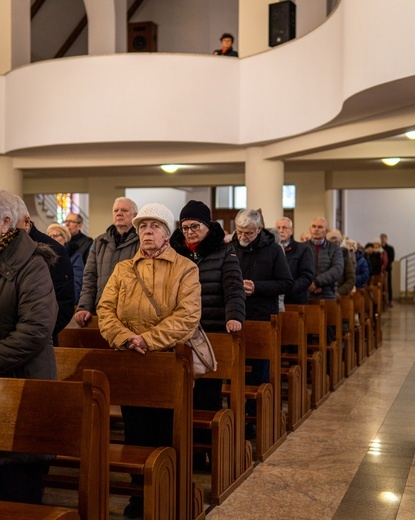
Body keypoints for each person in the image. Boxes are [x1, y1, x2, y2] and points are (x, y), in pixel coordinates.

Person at [97, 203, 201, 519]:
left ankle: (168, 490)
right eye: (143, 227)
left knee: (165, 430)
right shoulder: (123, 269)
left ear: (167, 234)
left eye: (154, 226)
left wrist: (148, 339)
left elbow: (188, 316)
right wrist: (126, 338)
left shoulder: (186, 268)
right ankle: (139, 495)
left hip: (167, 362)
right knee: (135, 431)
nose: (147, 232)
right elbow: (105, 310)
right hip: (132, 362)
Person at [170, 200, 245, 462]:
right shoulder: (173, 250)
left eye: (194, 226)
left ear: (207, 225)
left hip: (210, 331)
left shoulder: (224, 251)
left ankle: (206, 452)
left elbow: (234, 286)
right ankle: (184, 450)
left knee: (206, 394)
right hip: (180, 332)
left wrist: (234, 316)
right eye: (184, 227)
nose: (189, 232)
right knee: (180, 395)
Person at [0, 190, 58, 504]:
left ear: (6, 221)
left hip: (23, 384)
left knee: (17, 490)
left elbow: (35, 331)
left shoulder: (32, 263)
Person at [232, 209, 293, 434]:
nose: (243, 237)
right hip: (235, 317)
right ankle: (236, 418)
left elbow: (286, 283)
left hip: (261, 318)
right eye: (239, 231)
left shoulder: (274, 249)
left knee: (258, 373)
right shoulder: (231, 248)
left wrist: (257, 287)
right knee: (234, 372)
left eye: (248, 232)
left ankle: (255, 421)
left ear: (259, 229)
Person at [14, 196, 74, 346]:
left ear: (26, 222)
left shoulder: (54, 250)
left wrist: (37, 334)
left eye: (9, 222)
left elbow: (64, 303)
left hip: (41, 340)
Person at [74, 197, 139, 326]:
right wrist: (84, 307)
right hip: (101, 310)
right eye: (116, 211)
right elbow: (90, 277)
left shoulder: (141, 241)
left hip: (130, 314)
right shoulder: (100, 242)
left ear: (135, 216)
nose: (119, 213)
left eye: (124, 210)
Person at [276, 216, 314, 304]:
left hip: (295, 299)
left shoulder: (303, 249)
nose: (281, 230)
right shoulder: (271, 250)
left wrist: (288, 289)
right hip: (275, 299)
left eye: (284, 227)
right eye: (278, 228)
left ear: (291, 231)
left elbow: (307, 276)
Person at [306, 217, 344, 300]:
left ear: (326, 230)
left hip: (328, 295)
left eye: (320, 227)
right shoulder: (303, 247)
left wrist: (317, 282)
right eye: (314, 226)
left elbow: (337, 268)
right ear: (310, 229)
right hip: (306, 294)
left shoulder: (334, 248)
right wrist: (309, 284)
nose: (316, 229)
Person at [48, 222, 84, 304]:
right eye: (50, 236)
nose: (52, 238)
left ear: (64, 238)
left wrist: (71, 302)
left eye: (56, 235)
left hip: (65, 301)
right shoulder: (45, 257)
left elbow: (76, 282)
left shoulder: (74, 256)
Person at [326, 229, 356, 296]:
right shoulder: (321, 254)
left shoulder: (344, 255)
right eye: (331, 239)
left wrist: (338, 292)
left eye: (336, 240)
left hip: (339, 296)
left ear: (340, 242)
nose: (333, 242)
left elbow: (351, 278)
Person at [380, 233, 395, 307]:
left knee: (389, 284)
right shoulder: (379, 248)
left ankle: (390, 300)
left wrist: (385, 265)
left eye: (384, 238)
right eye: (381, 238)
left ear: (386, 239)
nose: (382, 239)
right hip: (380, 269)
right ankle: (382, 301)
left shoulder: (390, 248)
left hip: (388, 269)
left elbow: (391, 258)